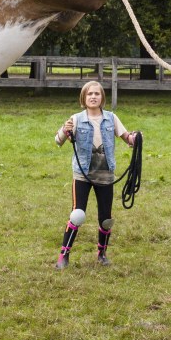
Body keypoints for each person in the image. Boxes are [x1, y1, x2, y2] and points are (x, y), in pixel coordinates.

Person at [53, 80, 138, 268]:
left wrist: (135, 138)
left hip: (105, 175)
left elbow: (127, 138)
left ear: (102, 98)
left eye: (97, 94)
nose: (93, 97)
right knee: (77, 215)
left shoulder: (111, 118)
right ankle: (63, 256)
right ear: (83, 98)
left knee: (106, 219)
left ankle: (102, 254)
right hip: (82, 175)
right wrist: (65, 131)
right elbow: (58, 141)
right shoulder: (75, 119)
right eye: (89, 94)